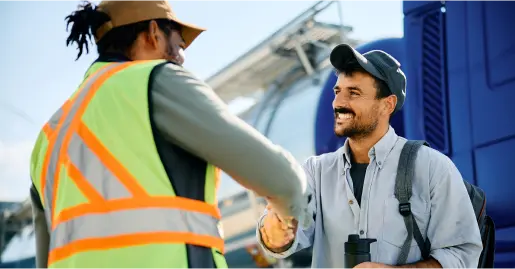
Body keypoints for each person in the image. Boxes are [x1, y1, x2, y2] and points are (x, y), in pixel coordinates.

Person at [28, 1, 312, 269]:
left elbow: (47, 257)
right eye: (179, 44)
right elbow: (284, 181)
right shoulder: (155, 81)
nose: (181, 58)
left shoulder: (48, 138)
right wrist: (280, 230)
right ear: (153, 33)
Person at [256, 44, 483, 269]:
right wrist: (276, 234)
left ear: (387, 105)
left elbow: (462, 256)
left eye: (353, 92)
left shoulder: (432, 167)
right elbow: (288, 237)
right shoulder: (316, 172)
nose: (338, 103)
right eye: (338, 92)